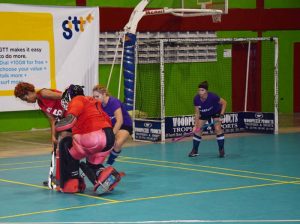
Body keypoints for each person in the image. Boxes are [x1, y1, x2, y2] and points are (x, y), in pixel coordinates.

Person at [55, 84, 123, 194]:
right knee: (92, 164)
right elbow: (106, 120)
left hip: (93, 137)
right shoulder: (93, 102)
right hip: (108, 138)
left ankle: (72, 182)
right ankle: (102, 176)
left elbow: (69, 121)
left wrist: (57, 125)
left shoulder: (77, 100)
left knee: (66, 144)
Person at [14, 82, 70, 146]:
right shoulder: (41, 104)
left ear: (29, 92)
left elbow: (66, 97)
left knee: (65, 138)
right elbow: (53, 120)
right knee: (63, 140)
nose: (27, 101)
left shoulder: (43, 93)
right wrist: (53, 137)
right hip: (69, 119)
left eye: (25, 99)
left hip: (75, 114)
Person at [92, 84, 133, 166]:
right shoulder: (97, 105)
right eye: (94, 97)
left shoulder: (113, 102)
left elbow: (120, 121)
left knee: (117, 143)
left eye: (97, 96)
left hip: (124, 125)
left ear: (104, 94)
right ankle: (97, 163)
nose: (95, 99)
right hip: (110, 125)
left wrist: (111, 135)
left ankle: (110, 163)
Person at [188, 81, 227, 158]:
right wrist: (195, 126)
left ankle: (221, 149)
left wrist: (221, 115)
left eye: (202, 90)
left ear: (206, 91)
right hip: (204, 113)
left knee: (217, 128)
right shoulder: (196, 99)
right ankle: (195, 150)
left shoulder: (213, 96)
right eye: (199, 90)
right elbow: (197, 113)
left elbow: (224, 103)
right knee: (198, 130)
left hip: (215, 111)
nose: (200, 92)